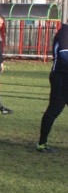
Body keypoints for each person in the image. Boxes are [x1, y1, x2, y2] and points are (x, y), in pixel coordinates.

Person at [36, 20, 68, 152]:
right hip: (61, 77)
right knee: (54, 110)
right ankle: (42, 143)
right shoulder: (65, 33)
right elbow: (64, 54)